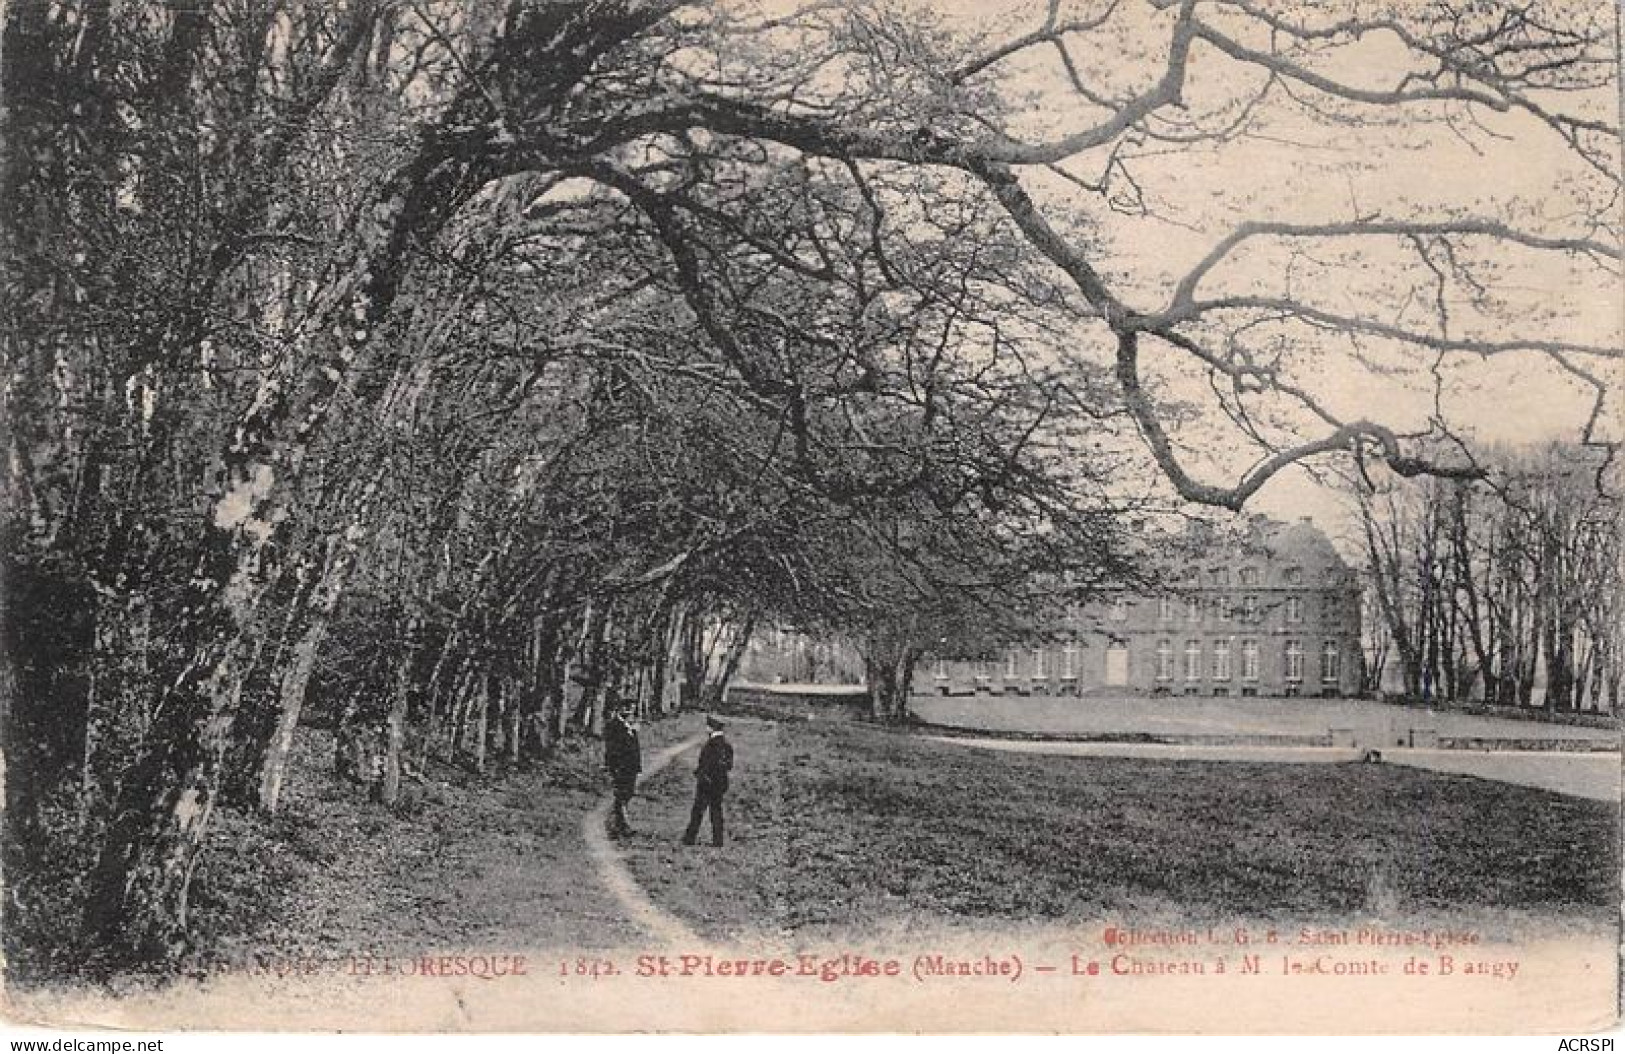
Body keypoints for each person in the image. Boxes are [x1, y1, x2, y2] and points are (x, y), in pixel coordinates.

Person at [682, 714, 733, 847]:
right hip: (720, 783)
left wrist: (700, 774)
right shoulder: (727, 745)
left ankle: (689, 838)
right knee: (716, 811)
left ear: (711, 728)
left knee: (698, 811)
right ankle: (718, 840)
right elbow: (729, 765)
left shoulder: (710, 745)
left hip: (706, 783)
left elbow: (706, 764)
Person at [602, 700, 641, 838]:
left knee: (627, 795)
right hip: (621, 767)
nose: (631, 713)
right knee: (621, 796)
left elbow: (634, 748)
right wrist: (614, 767)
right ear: (621, 710)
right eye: (629, 710)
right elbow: (612, 749)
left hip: (631, 767)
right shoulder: (614, 726)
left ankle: (617, 825)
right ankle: (620, 826)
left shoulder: (630, 726)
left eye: (633, 710)